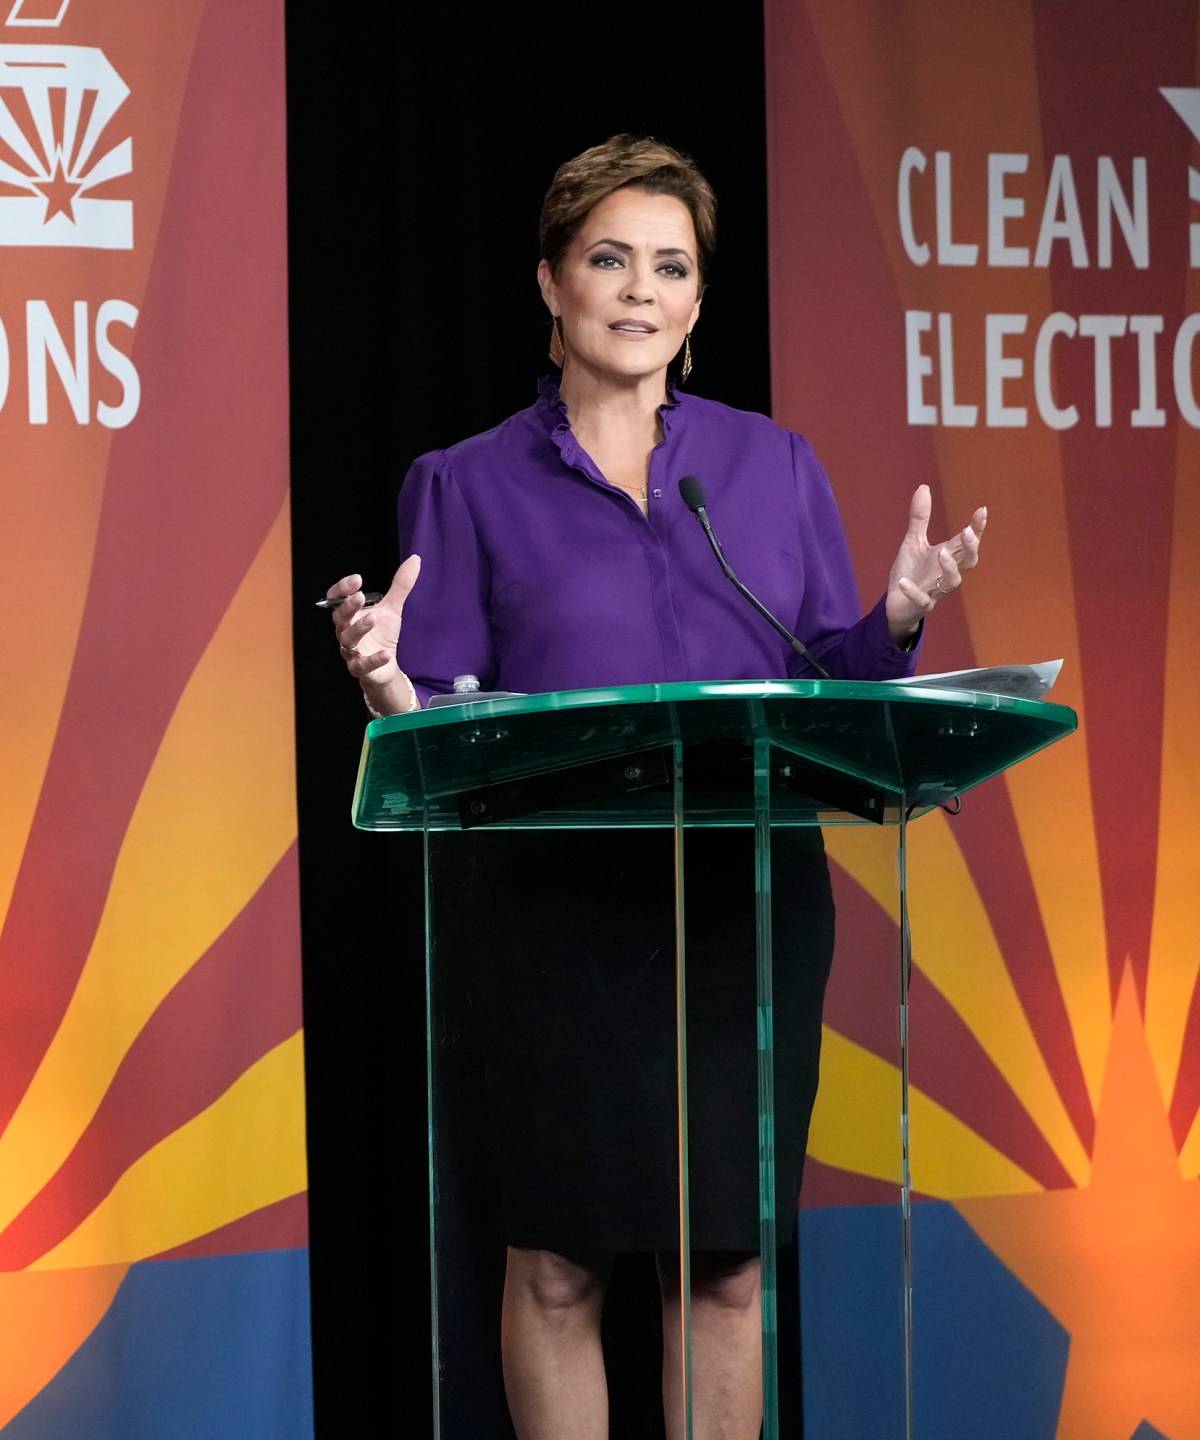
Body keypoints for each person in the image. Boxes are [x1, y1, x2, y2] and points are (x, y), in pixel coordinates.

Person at [326, 136, 985, 1440]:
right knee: (560, 1260)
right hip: (553, 918)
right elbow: (444, 727)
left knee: (726, 1261)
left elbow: (819, 681)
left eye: (670, 267)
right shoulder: (463, 484)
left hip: (744, 911)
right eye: (610, 259)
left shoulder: (771, 468)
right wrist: (388, 686)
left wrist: (894, 620)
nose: (640, 289)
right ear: (552, 285)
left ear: (695, 306)